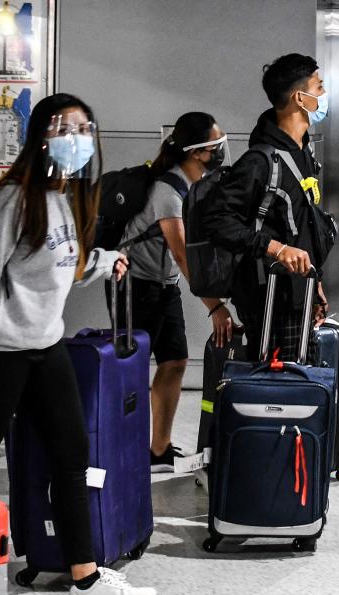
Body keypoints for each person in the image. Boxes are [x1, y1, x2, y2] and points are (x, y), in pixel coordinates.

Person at [0, 93, 157, 595]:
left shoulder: (65, 196)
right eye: (66, 128)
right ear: (40, 136)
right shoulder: (8, 201)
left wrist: (106, 261)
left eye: (85, 129)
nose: (77, 139)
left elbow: (62, 265)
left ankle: (85, 580)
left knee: (71, 457)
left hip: (46, 347)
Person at [112, 111, 235, 471]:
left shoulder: (193, 185)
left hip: (164, 285)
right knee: (131, 371)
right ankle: (123, 451)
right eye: (216, 143)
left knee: (175, 362)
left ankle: (158, 450)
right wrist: (215, 307)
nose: (221, 148)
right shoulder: (168, 189)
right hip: (133, 287)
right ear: (197, 152)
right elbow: (182, 254)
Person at [202, 53, 334, 361]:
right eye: (319, 86)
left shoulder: (303, 153)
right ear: (299, 97)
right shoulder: (260, 161)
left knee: (300, 382)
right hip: (269, 296)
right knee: (278, 397)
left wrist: (314, 282)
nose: (324, 95)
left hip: (297, 291)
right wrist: (275, 248)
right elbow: (216, 220)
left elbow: (304, 223)